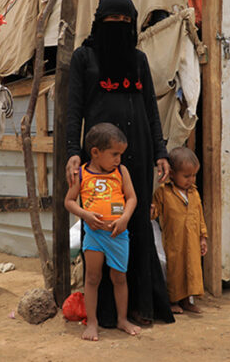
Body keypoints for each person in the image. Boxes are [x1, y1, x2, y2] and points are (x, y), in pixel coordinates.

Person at [65, 0, 175, 327]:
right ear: (100, 22)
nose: (120, 26)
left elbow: (151, 110)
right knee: (97, 225)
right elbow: (74, 110)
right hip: (98, 158)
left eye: (126, 22)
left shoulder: (138, 59)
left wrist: (160, 151)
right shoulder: (84, 58)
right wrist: (73, 151)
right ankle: (103, 314)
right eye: (113, 21)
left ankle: (141, 307)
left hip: (137, 153)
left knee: (137, 223)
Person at [64, 123, 140, 340]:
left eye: (121, 154)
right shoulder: (81, 174)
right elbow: (69, 202)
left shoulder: (121, 171)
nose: (119, 159)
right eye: (114, 154)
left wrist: (124, 218)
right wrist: (86, 215)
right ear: (95, 153)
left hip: (118, 235)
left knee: (119, 278)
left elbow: (132, 198)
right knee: (92, 278)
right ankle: (92, 323)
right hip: (95, 236)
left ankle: (122, 319)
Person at [151, 147, 208, 314]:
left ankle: (187, 301)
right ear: (172, 173)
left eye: (193, 175)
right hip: (174, 241)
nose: (190, 180)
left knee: (191, 269)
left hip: (192, 240)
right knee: (175, 271)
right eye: (186, 176)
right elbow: (155, 213)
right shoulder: (164, 192)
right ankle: (172, 301)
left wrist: (203, 237)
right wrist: (150, 210)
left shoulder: (194, 193)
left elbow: (200, 216)